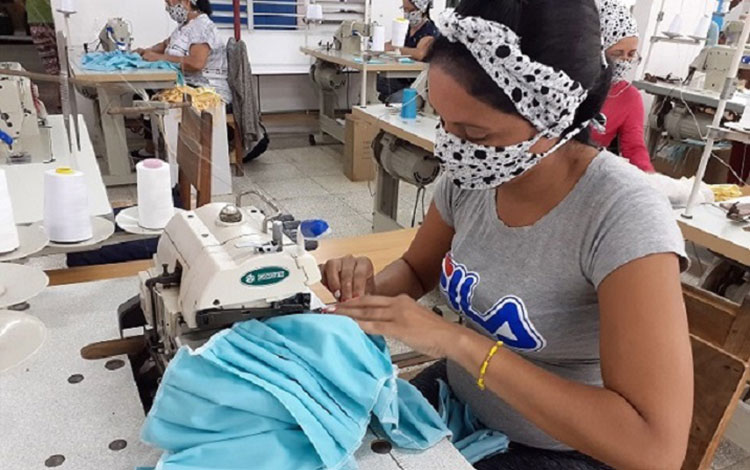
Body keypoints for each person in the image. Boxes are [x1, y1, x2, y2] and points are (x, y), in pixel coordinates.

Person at [321, 1, 693, 469]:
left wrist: (454, 341)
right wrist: (364, 293)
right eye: (443, 122)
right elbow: (418, 269)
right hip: (460, 401)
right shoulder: (472, 176)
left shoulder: (622, 215)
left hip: (555, 449)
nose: (451, 149)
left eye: (474, 134)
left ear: (556, 119)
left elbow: (653, 449)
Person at [132, 0, 232, 159]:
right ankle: (153, 148)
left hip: (206, 88)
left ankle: (168, 152)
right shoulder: (185, 26)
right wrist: (145, 51)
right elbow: (166, 44)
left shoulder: (202, 27)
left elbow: (196, 63)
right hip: (189, 82)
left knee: (150, 95)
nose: (168, 7)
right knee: (142, 92)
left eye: (170, 2)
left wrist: (158, 58)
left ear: (187, 1)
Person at [591, 0, 654, 172]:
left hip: (587, 173)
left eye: (631, 55)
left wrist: (651, 181)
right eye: (617, 54)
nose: (624, 61)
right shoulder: (568, 85)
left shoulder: (628, 96)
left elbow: (634, 148)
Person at [377, 0, 439, 103]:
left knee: (395, 100)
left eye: (411, 10)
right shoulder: (406, 28)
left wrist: (394, 48)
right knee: (373, 81)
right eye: (404, 9)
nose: (407, 14)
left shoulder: (430, 31)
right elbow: (390, 45)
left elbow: (419, 54)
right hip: (400, 77)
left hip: (417, 83)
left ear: (422, 9)